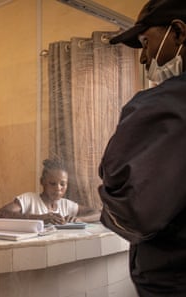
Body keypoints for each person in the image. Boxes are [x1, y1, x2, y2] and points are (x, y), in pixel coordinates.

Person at [99, 0, 186, 295]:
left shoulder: (165, 105)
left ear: (178, 32)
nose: (143, 57)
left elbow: (132, 211)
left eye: (146, 42)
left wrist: (108, 207)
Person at [0, 158, 100, 224]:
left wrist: (81, 219)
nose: (58, 188)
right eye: (52, 183)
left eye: (62, 184)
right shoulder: (29, 199)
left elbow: (98, 213)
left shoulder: (66, 205)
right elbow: (1, 214)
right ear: (42, 182)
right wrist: (39, 218)